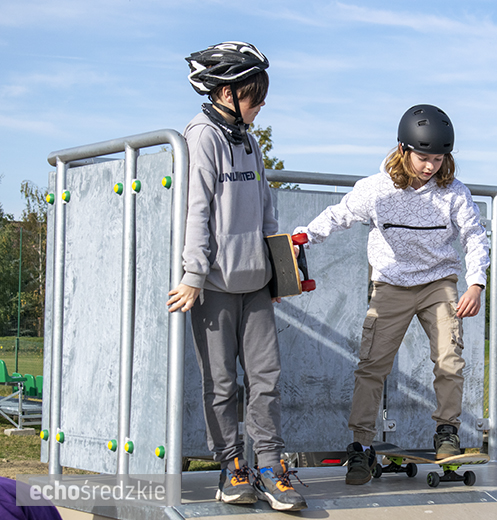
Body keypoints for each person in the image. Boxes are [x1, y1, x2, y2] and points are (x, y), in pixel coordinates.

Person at [294, 104, 490, 485]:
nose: (430, 167)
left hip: (438, 284)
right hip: (391, 286)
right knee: (372, 367)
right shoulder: (377, 190)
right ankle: (360, 445)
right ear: (402, 149)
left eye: (438, 158)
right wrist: (302, 239)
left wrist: (476, 282)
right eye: (423, 158)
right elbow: (338, 215)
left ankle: (447, 432)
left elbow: (474, 237)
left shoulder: (454, 193)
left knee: (449, 360)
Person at [167, 41, 306, 511]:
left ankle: (269, 465)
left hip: (256, 284)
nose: (261, 104)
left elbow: (267, 210)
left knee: (266, 378)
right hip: (214, 286)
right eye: (254, 95)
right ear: (226, 92)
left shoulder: (246, 138)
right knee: (222, 382)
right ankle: (231, 466)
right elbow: (197, 209)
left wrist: (279, 273)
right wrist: (192, 274)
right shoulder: (202, 135)